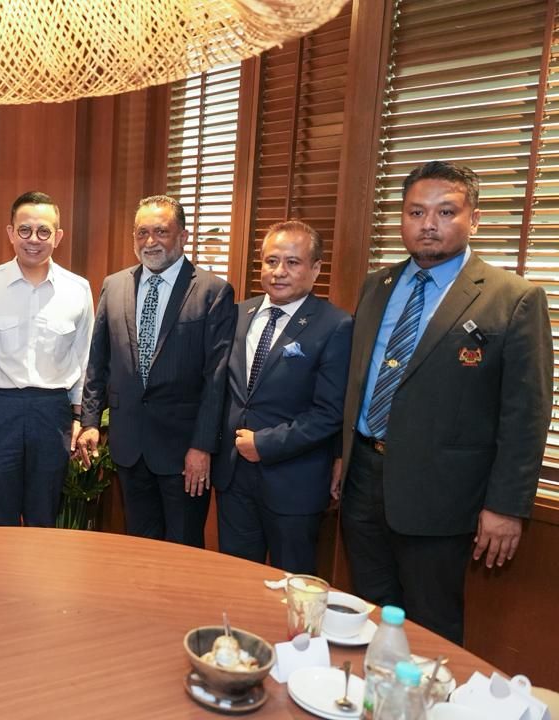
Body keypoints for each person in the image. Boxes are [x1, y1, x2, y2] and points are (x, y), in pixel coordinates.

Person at [339, 161, 550, 644]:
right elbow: (358, 383)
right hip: (364, 481)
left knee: (431, 630)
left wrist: (506, 506)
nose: (428, 224)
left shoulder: (512, 298)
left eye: (445, 211)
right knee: (367, 619)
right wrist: (343, 458)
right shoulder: (379, 285)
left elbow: (527, 414)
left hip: (443, 496)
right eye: (416, 211)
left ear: (473, 219)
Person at [77, 195, 235, 546]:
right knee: (139, 545)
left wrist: (202, 447)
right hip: (130, 444)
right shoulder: (114, 285)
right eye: (142, 232)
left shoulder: (213, 292)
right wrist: (90, 422)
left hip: (184, 452)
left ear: (183, 235)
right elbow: (98, 361)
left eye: (161, 231)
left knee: (183, 547)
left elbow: (216, 379)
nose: (150, 241)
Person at [212, 221, 351, 574]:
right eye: (271, 261)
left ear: (315, 269)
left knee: (293, 586)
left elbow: (329, 412)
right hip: (233, 476)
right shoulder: (238, 314)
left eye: (293, 262)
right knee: (236, 578)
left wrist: (266, 443)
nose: (279, 272)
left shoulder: (334, 325)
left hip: (293, 481)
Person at [0, 191, 94, 526]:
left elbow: (84, 361)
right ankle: (0, 580)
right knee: (0, 517)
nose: (33, 240)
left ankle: (39, 580)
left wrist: (80, 419)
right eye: (24, 230)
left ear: (58, 236)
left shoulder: (78, 290)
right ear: (10, 233)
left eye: (44, 231)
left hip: (51, 412)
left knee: (44, 517)